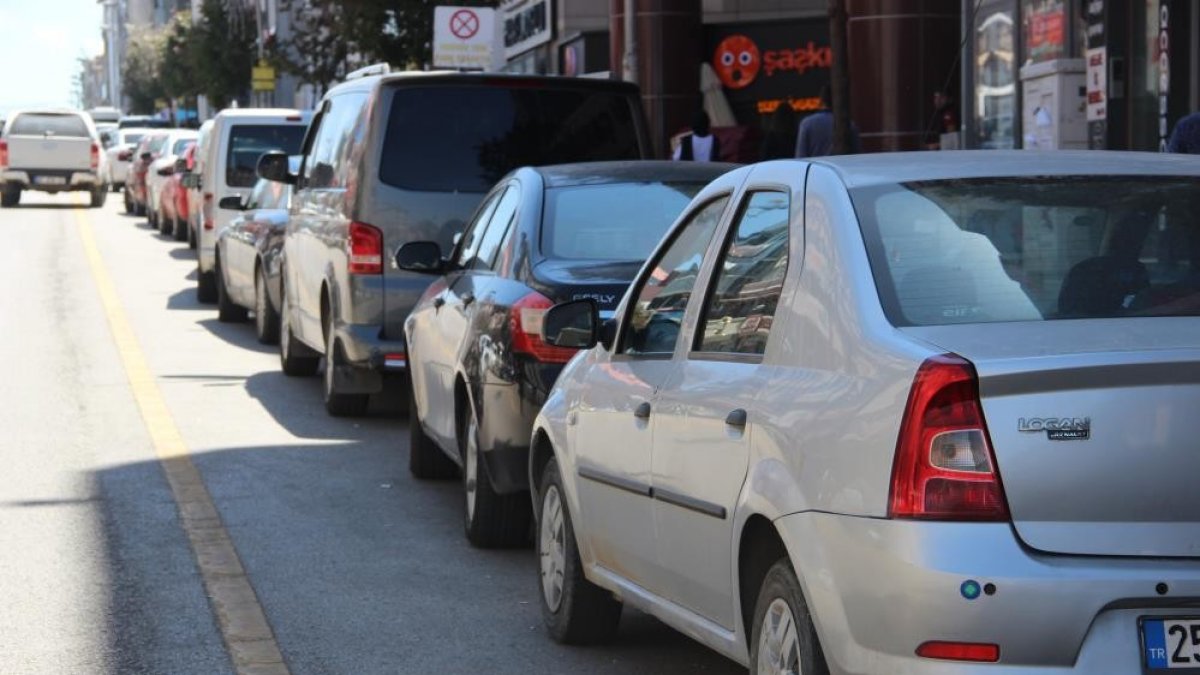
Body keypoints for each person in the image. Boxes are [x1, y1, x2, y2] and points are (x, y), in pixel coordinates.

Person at [795, 84, 860, 158]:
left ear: (821, 100)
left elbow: (801, 156)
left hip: (814, 168)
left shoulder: (806, 124)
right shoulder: (849, 125)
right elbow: (857, 156)